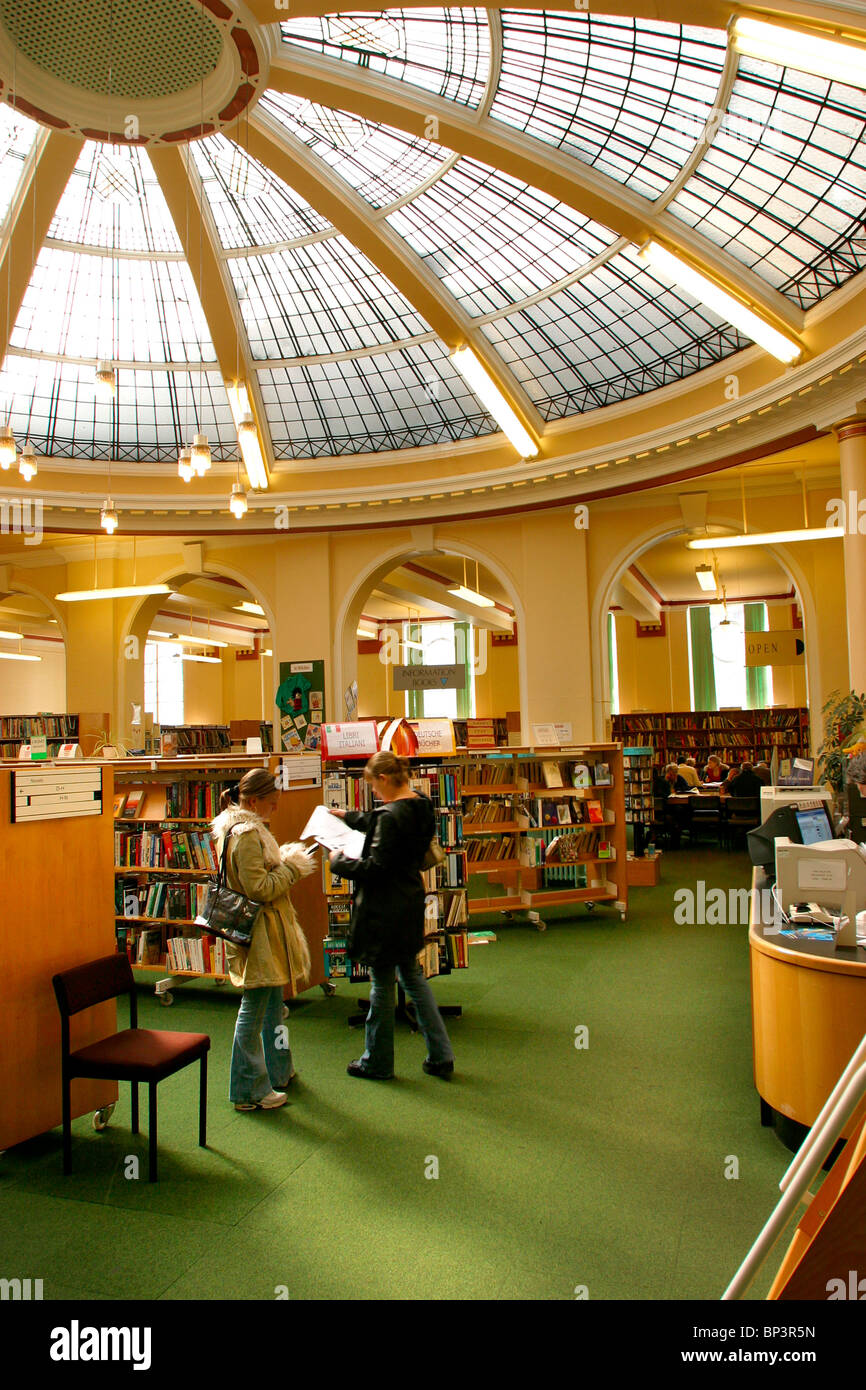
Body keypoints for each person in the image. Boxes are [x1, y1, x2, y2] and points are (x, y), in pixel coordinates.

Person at [329, 750, 455, 1081]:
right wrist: (348, 815)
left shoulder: (389, 816)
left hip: (384, 909)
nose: (372, 793)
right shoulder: (421, 802)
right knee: (413, 978)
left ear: (383, 779)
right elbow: (383, 821)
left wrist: (338, 862)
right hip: (410, 899)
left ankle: (377, 1061)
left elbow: (375, 867)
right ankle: (441, 1055)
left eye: (372, 786)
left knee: (381, 987)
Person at [211, 769, 316, 1111]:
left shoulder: (237, 829)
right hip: (258, 934)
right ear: (253, 801)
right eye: (271, 803)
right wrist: (293, 868)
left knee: (273, 1006)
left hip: (264, 932)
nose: (275, 808)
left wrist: (280, 860)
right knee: (254, 1011)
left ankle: (278, 1071)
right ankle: (247, 1090)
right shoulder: (247, 835)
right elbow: (259, 889)